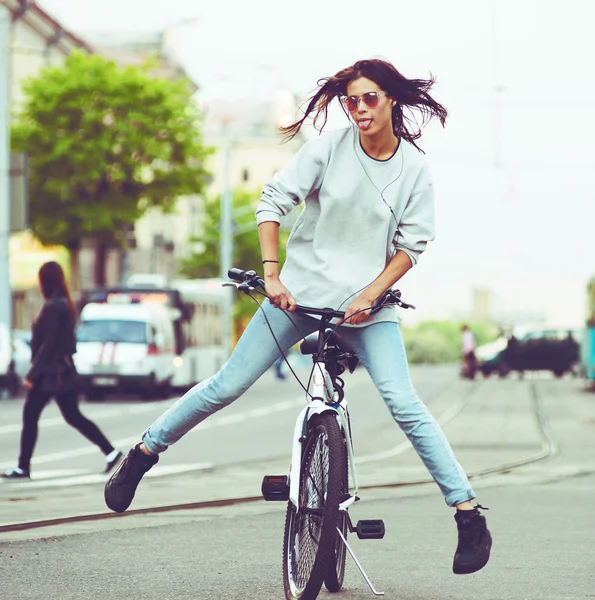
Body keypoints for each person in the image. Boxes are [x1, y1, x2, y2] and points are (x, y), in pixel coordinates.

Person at [105, 58, 492, 575]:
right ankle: (143, 454)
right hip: (298, 297)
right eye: (351, 100)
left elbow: (411, 246)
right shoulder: (329, 149)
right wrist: (273, 276)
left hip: (367, 310)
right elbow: (273, 202)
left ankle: (468, 514)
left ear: (392, 99)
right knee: (226, 385)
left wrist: (371, 294)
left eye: (370, 98)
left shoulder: (413, 170)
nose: (359, 109)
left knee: (404, 403)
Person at [1, 261, 122, 480]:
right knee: (72, 415)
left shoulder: (54, 306)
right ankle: (110, 451)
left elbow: (49, 344)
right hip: (62, 371)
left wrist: (32, 374)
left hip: (51, 373)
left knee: (31, 415)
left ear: (45, 281)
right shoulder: (64, 303)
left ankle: (23, 467)